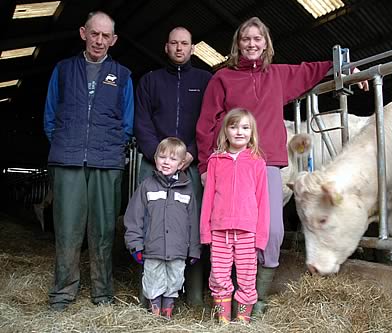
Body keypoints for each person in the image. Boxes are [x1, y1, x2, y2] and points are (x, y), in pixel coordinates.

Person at [196, 16, 369, 315]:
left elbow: (310, 70)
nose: (251, 44)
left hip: (268, 162)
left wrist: (345, 67)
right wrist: (205, 165)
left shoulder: (277, 74)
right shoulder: (222, 79)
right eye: (246, 39)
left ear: (266, 44)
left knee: (272, 231)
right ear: (238, 43)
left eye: (257, 39)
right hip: (232, 165)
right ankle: (227, 296)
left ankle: (255, 298)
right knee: (231, 232)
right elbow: (206, 123)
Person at [44, 11, 134, 311]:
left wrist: (110, 146)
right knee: (67, 229)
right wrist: (65, 142)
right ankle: (62, 292)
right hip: (67, 159)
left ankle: (102, 293)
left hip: (105, 161)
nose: (99, 40)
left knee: (104, 229)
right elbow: (50, 117)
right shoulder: (64, 69)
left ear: (114, 40)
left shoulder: (123, 76)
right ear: (83, 33)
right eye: (94, 33)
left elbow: (127, 123)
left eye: (105, 36)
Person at [134, 26, 212, 306]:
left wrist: (190, 152)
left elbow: (209, 120)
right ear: (166, 47)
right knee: (150, 223)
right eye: (174, 43)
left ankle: (193, 296)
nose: (179, 48)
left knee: (191, 225)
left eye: (185, 43)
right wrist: (159, 155)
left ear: (192, 48)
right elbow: (141, 121)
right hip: (154, 164)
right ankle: (150, 297)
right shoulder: (150, 81)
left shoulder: (205, 80)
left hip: (191, 163)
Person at [200, 108, 270, 323]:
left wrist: (261, 236)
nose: (239, 132)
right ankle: (223, 321)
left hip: (247, 230)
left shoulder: (257, 161)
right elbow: (208, 198)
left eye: (245, 127)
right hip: (219, 229)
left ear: (252, 132)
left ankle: (242, 322)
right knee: (219, 276)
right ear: (225, 131)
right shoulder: (215, 161)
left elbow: (263, 201)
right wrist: (205, 231)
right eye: (234, 126)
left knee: (247, 277)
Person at [124, 137, 201, 319]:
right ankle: (154, 314)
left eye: (173, 159)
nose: (166, 162)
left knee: (174, 281)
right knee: (152, 281)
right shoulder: (146, 187)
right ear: (155, 158)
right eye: (162, 157)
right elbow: (134, 218)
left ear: (182, 163)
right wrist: (135, 245)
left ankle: (167, 312)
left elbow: (193, 222)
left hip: (178, 250)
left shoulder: (187, 190)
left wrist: (194, 249)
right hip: (153, 249)